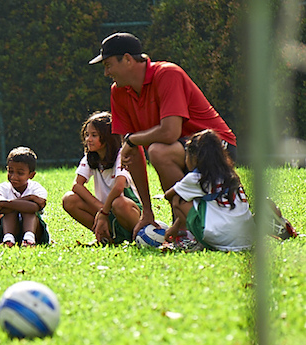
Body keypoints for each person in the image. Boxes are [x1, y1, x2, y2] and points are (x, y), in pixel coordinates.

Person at [89, 32, 237, 236]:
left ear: (128, 59)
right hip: (182, 152)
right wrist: (147, 212)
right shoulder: (118, 91)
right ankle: (187, 224)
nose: (106, 73)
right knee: (158, 151)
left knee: (159, 151)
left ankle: (186, 227)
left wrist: (132, 140)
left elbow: (170, 132)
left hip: (218, 147)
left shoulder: (168, 73)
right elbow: (131, 154)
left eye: (108, 65)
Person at [163, 130, 253, 251]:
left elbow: (168, 195)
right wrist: (175, 226)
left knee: (179, 199)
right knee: (207, 204)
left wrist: (184, 187)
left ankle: (193, 238)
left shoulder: (196, 178)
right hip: (247, 239)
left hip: (220, 239)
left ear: (193, 156)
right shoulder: (230, 175)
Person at [62, 112, 141, 244]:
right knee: (69, 199)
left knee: (118, 203)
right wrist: (101, 209)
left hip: (128, 210)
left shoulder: (121, 154)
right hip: (106, 209)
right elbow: (77, 185)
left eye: (94, 135)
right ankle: (108, 237)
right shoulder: (90, 156)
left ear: (107, 137)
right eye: (87, 135)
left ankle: (136, 235)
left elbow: (119, 187)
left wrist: (104, 212)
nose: (88, 139)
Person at [0, 146, 50, 247]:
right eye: (10, 171)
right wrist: (30, 198)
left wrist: (7, 203)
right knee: (12, 211)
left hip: (36, 231)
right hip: (6, 230)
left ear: (31, 175)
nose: (14, 176)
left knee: (28, 211)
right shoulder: (3, 188)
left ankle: (29, 239)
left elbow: (34, 208)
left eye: (20, 173)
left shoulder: (36, 188)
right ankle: (8, 239)